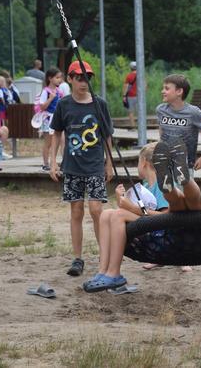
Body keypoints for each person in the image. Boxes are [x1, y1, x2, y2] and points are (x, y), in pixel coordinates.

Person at [49, 60, 114, 277]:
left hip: (95, 165)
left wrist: (109, 163)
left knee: (97, 211)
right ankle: (78, 259)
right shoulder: (64, 104)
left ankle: (104, 257)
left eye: (87, 78)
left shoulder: (99, 104)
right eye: (79, 78)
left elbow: (107, 135)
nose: (84, 83)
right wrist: (53, 162)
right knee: (76, 211)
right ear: (70, 79)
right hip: (72, 166)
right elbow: (57, 133)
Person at [83, 142, 169, 292]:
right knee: (106, 214)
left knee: (118, 215)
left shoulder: (162, 185)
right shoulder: (145, 186)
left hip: (159, 233)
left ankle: (114, 273)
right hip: (145, 226)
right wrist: (121, 200)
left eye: (138, 161)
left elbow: (166, 217)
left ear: (144, 163)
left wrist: (130, 208)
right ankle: (103, 271)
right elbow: (133, 210)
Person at [156, 74, 201, 177]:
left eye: (167, 88)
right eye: (163, 88)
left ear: (179, 91)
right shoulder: (161, 110)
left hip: (184, 167)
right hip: (165, 165)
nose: (162, 91)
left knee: (184, 193)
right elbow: (161, 130)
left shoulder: (193, 112)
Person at [38, 67, 64, 171]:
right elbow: (42, 107)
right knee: (48, 143)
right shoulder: (46, 91)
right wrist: (50, 98)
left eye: (60, 77)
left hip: (58, 118)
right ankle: (45, 163)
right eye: (57, 77)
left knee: (62, 140)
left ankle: (60, 162)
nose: (60, 80)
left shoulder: (60, 91)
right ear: (50, 78)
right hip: (48, 118)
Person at [122, 62, 138, 128]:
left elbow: (125, 86)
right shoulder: (141, 75)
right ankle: (141, 127)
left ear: (130, 68)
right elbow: (145, 85)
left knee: (131, 112)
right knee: (140, 112)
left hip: (130, 96)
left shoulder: (129, 76)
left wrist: (124, 96)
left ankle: (133, 127)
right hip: (139, 97)